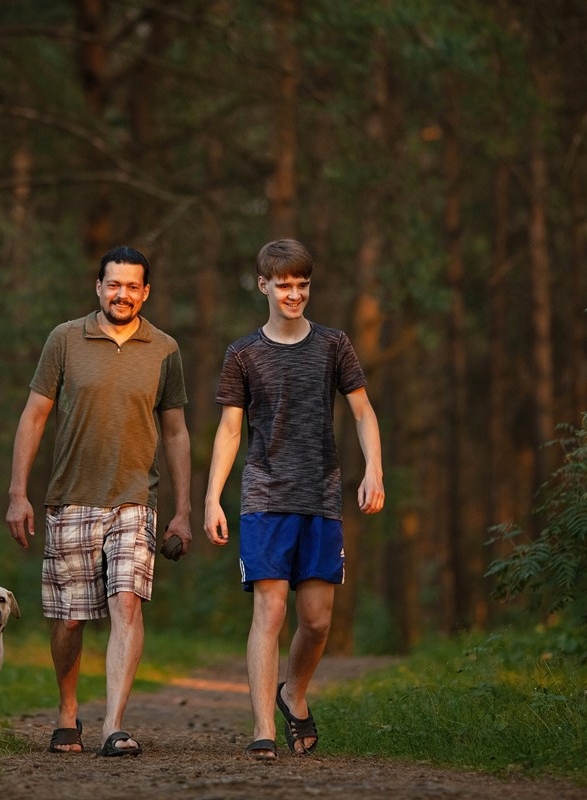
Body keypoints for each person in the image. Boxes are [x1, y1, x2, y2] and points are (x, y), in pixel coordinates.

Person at [6, 245, 192, 757]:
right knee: (69, 619)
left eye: (133, 286)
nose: (122, 294)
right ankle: (68, 714)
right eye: (114, 284)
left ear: (146, 292)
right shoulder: (64, 339)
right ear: (98, 287)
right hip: (70, 497)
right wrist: (18, 493)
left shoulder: (165, 348)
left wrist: (183, 509)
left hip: (136, 498)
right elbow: (34, 416)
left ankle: (114, 723)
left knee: (126, 604)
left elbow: (175, 432)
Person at [203, 238, 385, 761]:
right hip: (265, 495)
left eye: (302, 285)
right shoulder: (243, 353)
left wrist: (374, 468)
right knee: (271, 608)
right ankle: (262, 726)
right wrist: (212, 498)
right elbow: (230, 432)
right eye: (284, 285)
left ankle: (293, 694)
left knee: (318, 619)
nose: (294, 294)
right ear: (264, 285)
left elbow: (363, 411)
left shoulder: (333, 344)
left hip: (321, 495)